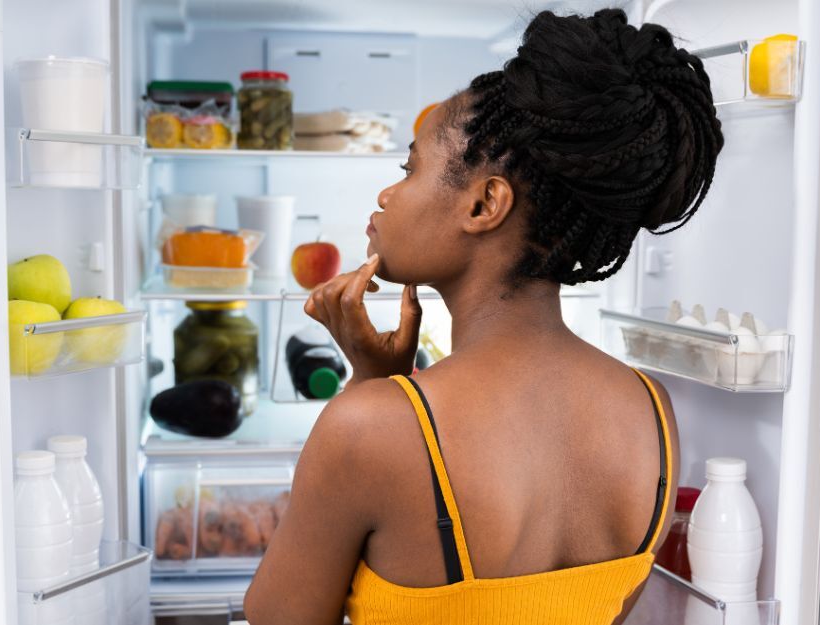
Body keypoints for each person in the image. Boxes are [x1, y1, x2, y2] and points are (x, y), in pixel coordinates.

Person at [244, 8, 722, 624]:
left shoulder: (370, 430)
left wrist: (372, 392)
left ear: (485, 203)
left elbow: (277, 617)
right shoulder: (651, 412)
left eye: (409, 168)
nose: (388, 195)